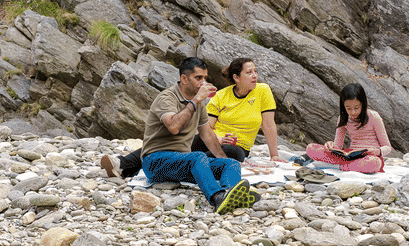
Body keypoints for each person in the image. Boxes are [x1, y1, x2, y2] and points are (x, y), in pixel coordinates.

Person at [101, 57, 281, 177]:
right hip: (212, 139)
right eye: (249, 72)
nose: (255, 75)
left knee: (231, 154)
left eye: (255, 71)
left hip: (238, 146)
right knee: (173, 143)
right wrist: (217, 137)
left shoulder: (262, 91)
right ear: (236, 77)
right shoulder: (220, 96)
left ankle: (177, 166)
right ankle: (122, 165)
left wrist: (274, 155)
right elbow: (207, 127)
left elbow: (268, 125)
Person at [136, 57, 259, 214]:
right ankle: (217, 197)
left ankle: (232, 193)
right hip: (155, 162)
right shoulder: (167, 98)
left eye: (205, 78)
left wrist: (223, 159)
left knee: (231, 164)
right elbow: (174, 127)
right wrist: (195, 101)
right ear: (184, 79)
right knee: (198, 157)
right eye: (198, 78)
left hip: (182, 161)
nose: (203, 82)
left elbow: (207, 135)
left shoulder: (199, 103)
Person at [304, 83, 390, 173]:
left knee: (373, 163)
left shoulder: (374, 116)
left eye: (357, 108)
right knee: (311, 148)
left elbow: (387, 147)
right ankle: (345, 166)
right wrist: (331, 145)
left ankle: (338, 167)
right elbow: (338, 146)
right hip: (349, 156)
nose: (353, 112)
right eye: (348, 108)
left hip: (370, 157)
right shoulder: (343, 118)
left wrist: (378, 151)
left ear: (363, 104)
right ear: (343, 106)